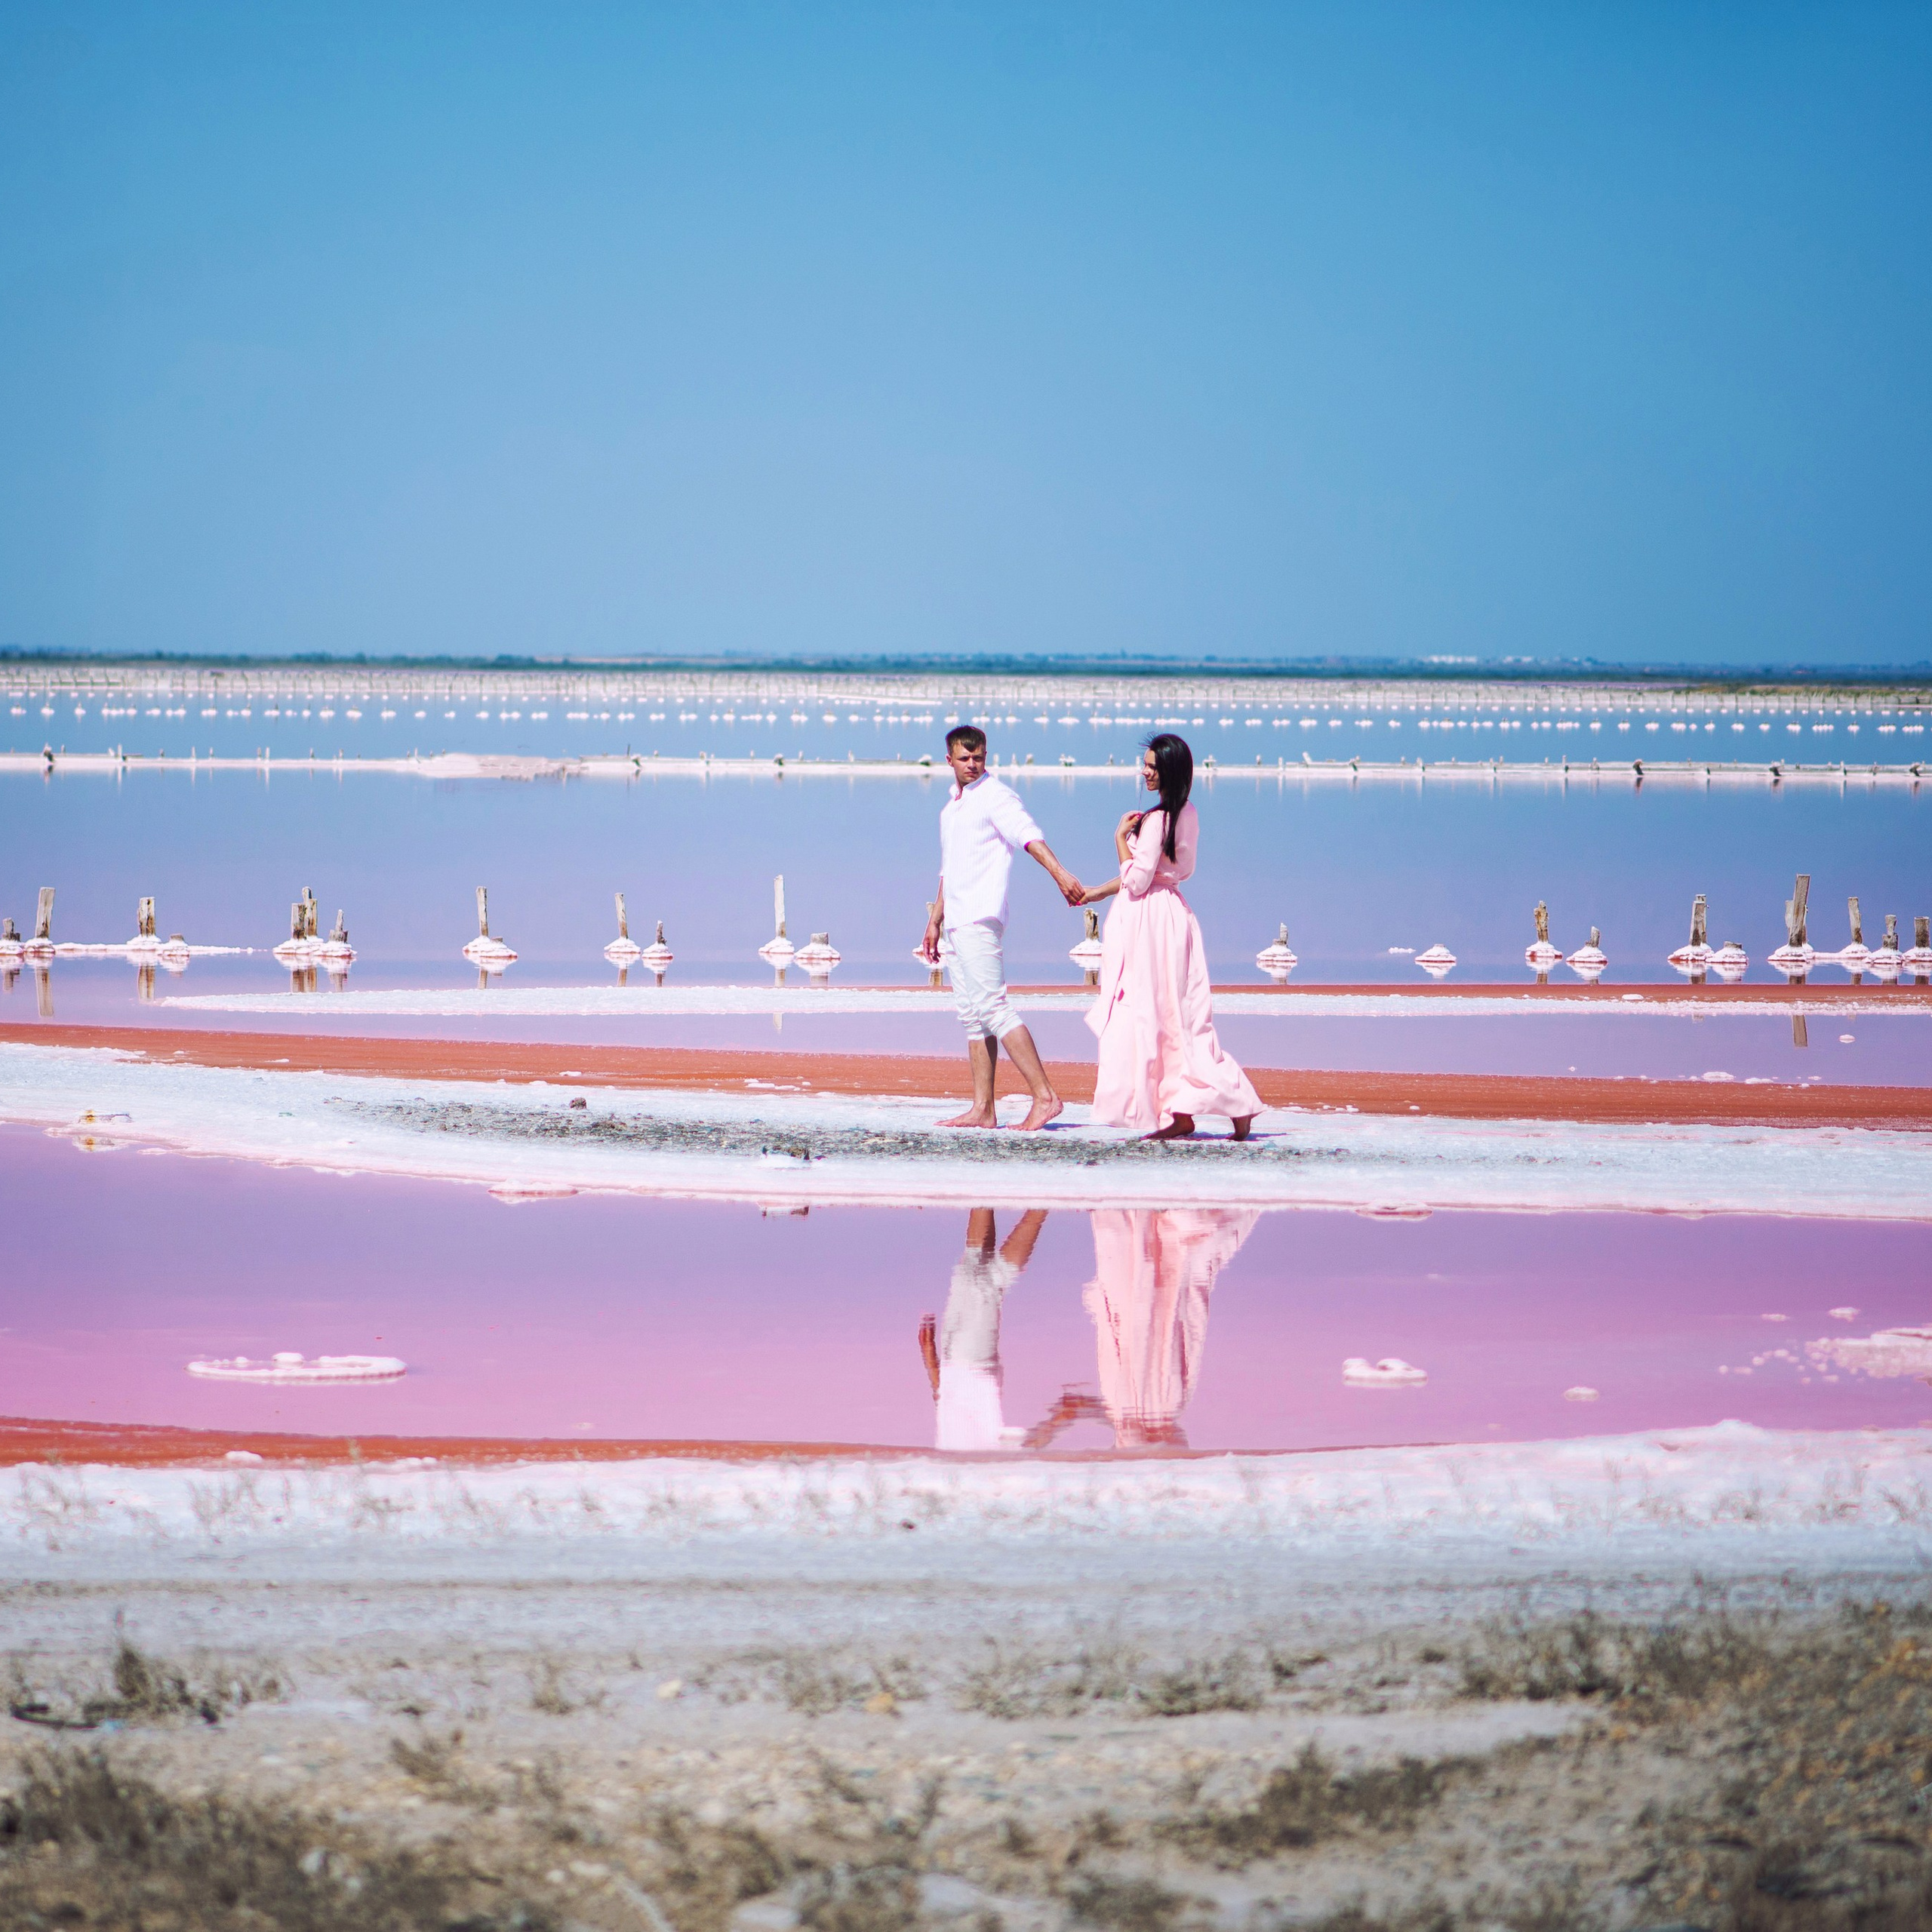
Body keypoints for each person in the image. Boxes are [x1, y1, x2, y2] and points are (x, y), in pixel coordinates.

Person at [1079, 734, 1262, 1140]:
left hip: (1148, 924)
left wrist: (1118, 841)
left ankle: (1191, 1110)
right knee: (1182, 1016)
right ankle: (1199, 1110)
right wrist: (1095, 891)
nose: (1145, 772)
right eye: (1145, 764)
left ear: (1169, 772)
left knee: (1151, 1014)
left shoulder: (1157, 820)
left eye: (1152, 767)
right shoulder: (1188, 814)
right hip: (1173, 916)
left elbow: (1139, 880)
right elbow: (1170, 873)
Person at [920, 725, 1084, 1130]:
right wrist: (934, 919)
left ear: (986, 756)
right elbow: (949, 869)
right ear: (949, 760)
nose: (972, 765)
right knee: (973, 1016)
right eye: (964, 759)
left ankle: (1045, 1096)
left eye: (978, 758)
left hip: (981, 915)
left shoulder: (996, 796)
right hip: (956, 919)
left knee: (993, 1006)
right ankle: (983, 1109)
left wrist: (1060, 874)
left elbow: (1028, 836)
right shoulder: (951, 809)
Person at [918, 1207, 1048, 1451]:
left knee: (972, 1267)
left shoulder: (949, 1457)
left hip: (951, 1360)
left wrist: (930, 1358)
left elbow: (944, 1403)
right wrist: (1062, 1418)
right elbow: (1026, 1444)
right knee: (988, 1284)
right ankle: (1043, 1202)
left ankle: (984, 1184)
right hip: (974, 1365)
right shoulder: (986, 1459)